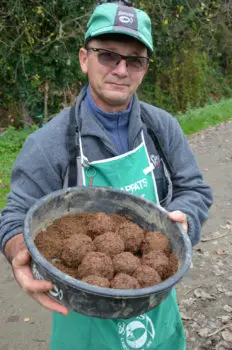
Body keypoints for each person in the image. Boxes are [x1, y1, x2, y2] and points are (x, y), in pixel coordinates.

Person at [0, 1, 212, 349]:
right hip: (83, 317)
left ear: (145, 68)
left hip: (155, 304)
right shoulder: (48, 144)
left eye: (135, 59)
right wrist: (18, 252)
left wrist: (185, 219)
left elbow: (195, 189)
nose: (121, 69)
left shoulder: (163, 128)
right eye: (108, 55)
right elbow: (14, 216)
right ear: (85, 59)